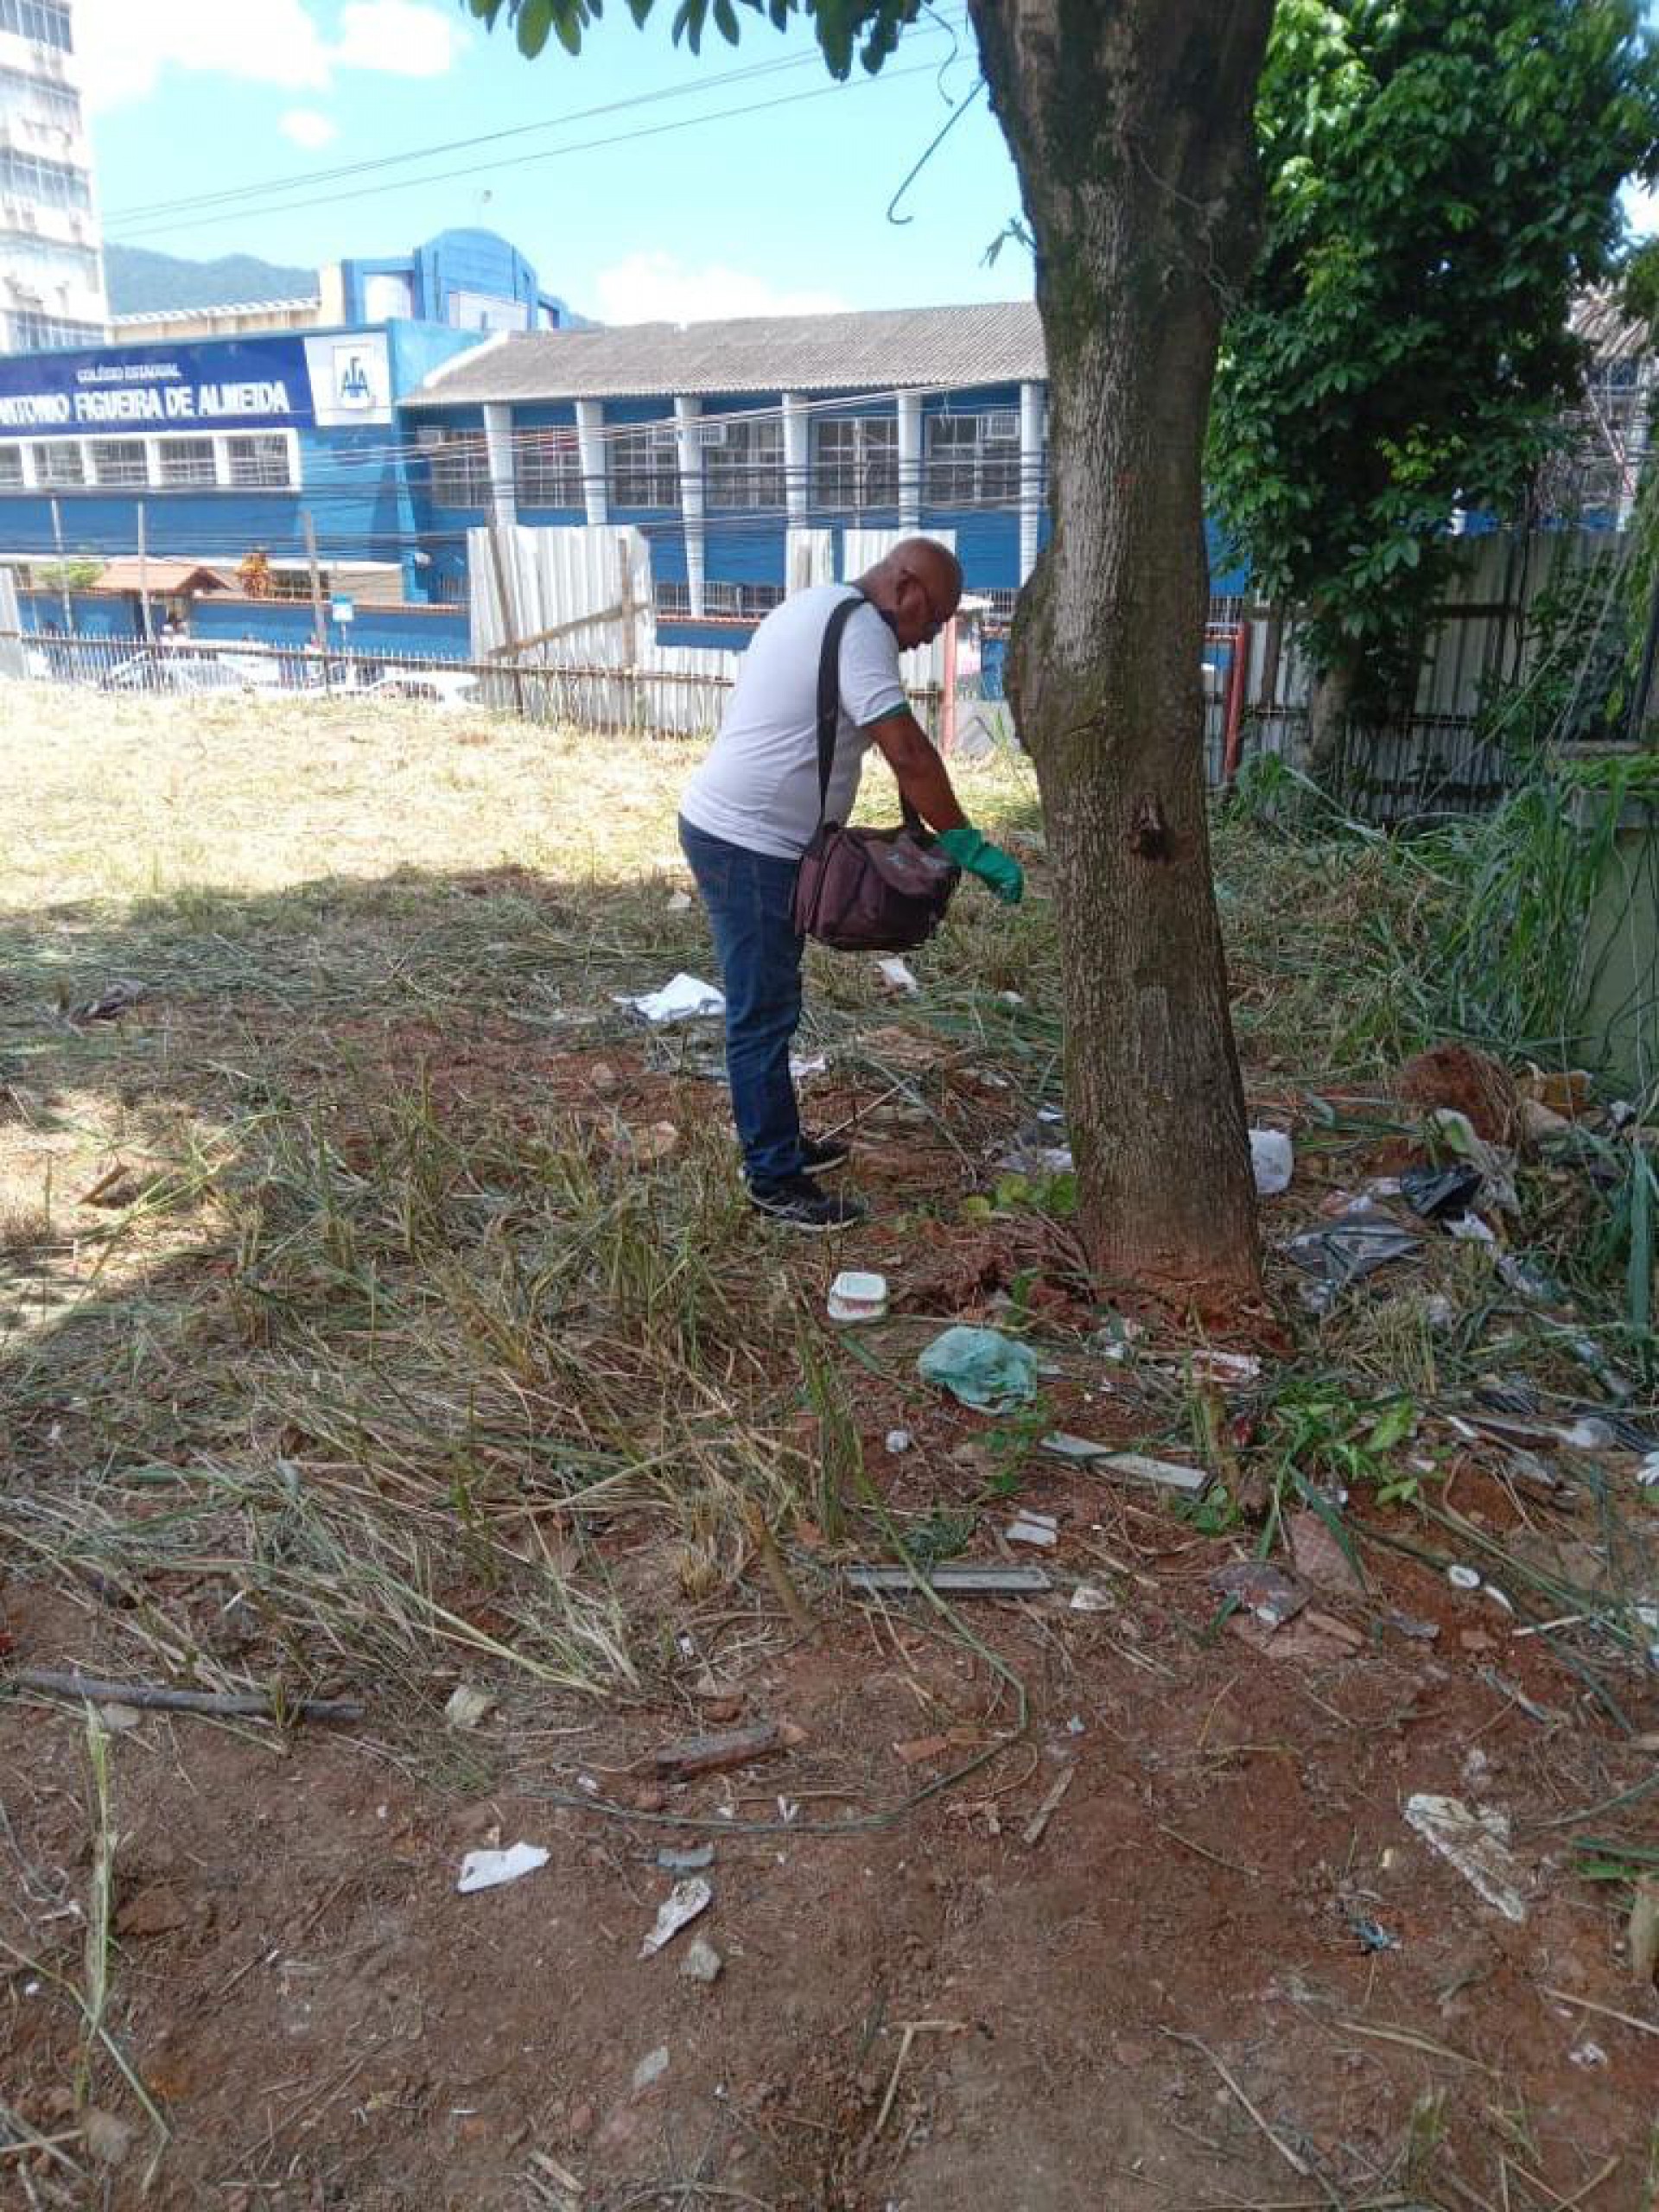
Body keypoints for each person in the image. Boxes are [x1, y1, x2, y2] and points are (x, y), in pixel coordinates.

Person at [678, 537, 1024, 1232]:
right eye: (933, 621)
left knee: (774, 997)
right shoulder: (862, 629)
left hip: (748, 835)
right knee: (762, 1010)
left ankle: (779, 1137)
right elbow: (907, 750)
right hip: (746, 843)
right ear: (907, 590)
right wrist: (966, 842)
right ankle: (773, 1178)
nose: (926, 640)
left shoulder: (817, 606)